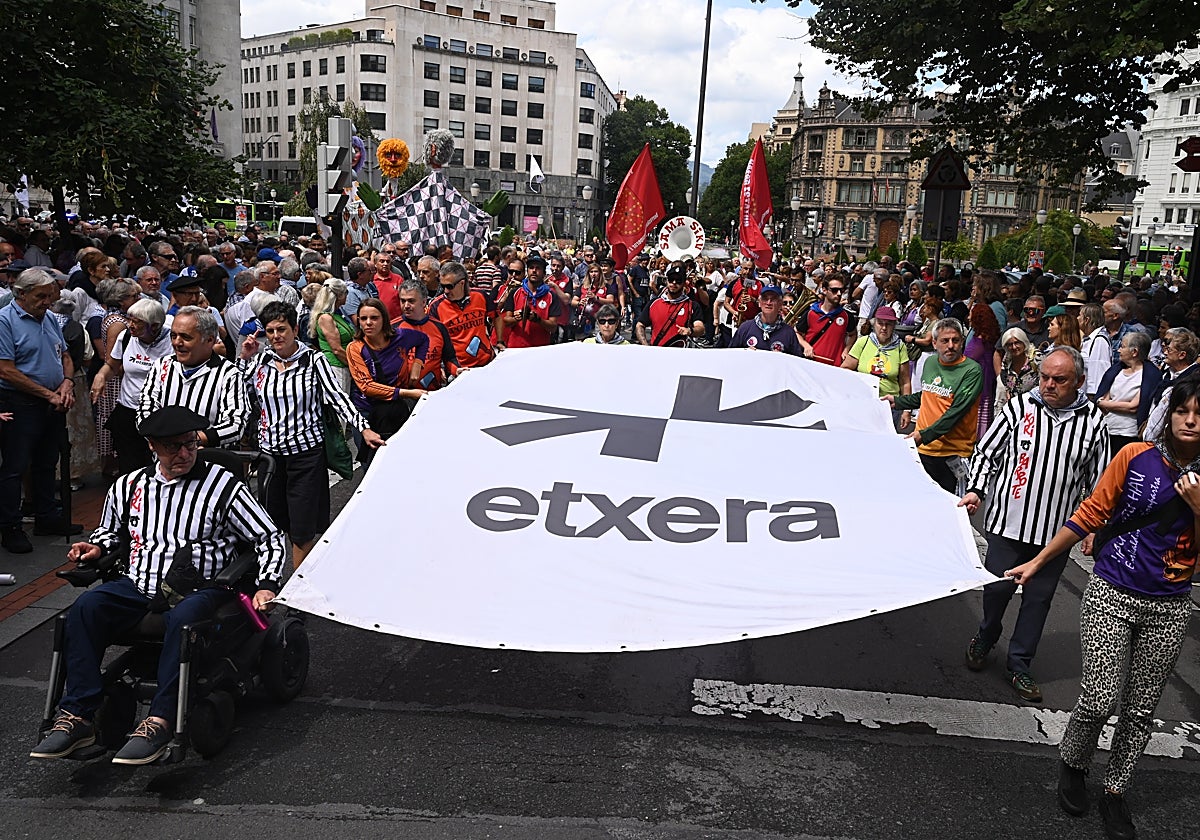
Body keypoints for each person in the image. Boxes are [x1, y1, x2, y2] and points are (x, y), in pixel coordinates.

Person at [28, 406, 287, 765]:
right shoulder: (130, 485)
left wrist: (267, 583)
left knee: (184, 618)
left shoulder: (224, 485)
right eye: (172, 447)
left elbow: (268, 536)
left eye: (189, 445)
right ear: (152, 446)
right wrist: (97, 546)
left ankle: (161, 720)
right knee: (86, 608)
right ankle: (78, 716)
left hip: (200, 586)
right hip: (140, 583)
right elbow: (110, 531)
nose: (183, 454)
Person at [1005, 379, 1200, 840]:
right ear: (1168, 416)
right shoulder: (1135, 457)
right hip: (1112, 591)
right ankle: (1073, 764)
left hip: (1169, 606)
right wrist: (1037, 561)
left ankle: (1115, 790)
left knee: (1140, 708)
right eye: (1183, 411)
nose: (1191, 421)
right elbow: (1091, 512)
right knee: (1098, 695)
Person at [960, 347, 1109, 703]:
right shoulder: (1019, 408)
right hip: (1008, 526)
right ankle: (987, 634)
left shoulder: (1093, 422)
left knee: (1038, 601)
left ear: (1079, 382)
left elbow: (1099, 480)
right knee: (996, 591)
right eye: (1044, 377)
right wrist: (977, 490)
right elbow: (986, 453)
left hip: (1055, 535)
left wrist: (1092, 528)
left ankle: (1019, 663)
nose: (1048, 385)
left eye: (1059, 379)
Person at [239, 302, 384, 568]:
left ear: (295, 329)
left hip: (306, 456)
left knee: (303, 528)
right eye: (270, 331)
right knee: (273, 522)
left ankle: (297, 589)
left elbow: (337, 398)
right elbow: (238, 391)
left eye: (281, 329)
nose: (275, 336)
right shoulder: (261, 360)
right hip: (270, 459)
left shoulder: (313, 361)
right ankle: (274, 578)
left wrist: (362, 427)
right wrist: (245, 358)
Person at [0, 269, 82, 553]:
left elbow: (65, 356)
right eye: (41, 296)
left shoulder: (47, 317)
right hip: (20, 401)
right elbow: (6, 370)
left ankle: (47, 517)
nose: (48, 301)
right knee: (15, 466)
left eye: (50, 295)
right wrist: (49, 394)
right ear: (21, 294)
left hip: (51, 400)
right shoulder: (5, 321)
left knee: (48, 461)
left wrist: (67, 384)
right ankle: (11, 526)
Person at [887, 318, 983, 493]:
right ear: (934, 342)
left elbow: (955, 412)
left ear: (962, 342)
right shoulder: (931, 363)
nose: (951, 345)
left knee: (951, 510)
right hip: (924, 450)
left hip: (952, 455)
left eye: (955, 340)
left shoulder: (972, 371)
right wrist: (898, 401)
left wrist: (922, 436)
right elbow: (928, 395)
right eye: (945, 341)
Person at [137, 306, 250, 449]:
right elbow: (145, 407)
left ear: (209, 340)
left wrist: (192, 441)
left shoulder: (229, 373)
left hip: (209, 462)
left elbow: (236, 423)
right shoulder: (161, 366)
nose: (177, 343)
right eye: (173, 336)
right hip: (165, 460)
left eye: (186, 337)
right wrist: (155, 436)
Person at [90, 299, 172, 476]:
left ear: (155, 326)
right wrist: (101, 375)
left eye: (137, 322)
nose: (131, 325)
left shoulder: (172, 341)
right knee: (129, 465)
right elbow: (112, 365)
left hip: (159, 413)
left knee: (157, 464)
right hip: (128, 410)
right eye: (130, 319)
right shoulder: (126, 337)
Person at [346, 298, 429, 467]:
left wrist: (417, 365)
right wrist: (406, 393)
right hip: (366, 412)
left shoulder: (401, 336)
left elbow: (423, 340)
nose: (368, 323)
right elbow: (366, 386)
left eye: (374, 318)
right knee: (371, 466)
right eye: (363, 319)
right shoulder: (355, 348)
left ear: (384, 319)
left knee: (402, 460)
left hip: (394, 410)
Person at [843, 306, 911, 427]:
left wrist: (907, 410)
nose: (884, 328)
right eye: (880, 323)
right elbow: (845, 369)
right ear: (874, 324)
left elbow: (905, 382)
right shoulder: (863, 342)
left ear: (894, 326)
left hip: (889, 407)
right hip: (862, 402)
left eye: (888, 324)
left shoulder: (900, 347)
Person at [1096, 331, 1155, 454]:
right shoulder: (1115, 371)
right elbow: (1102, 397)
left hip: (1128, 434)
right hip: (1107, 429)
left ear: (1134, 352)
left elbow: (1133, 407)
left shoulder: (1149, 375)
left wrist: (1105, 403)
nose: (1118, 350)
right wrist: (1105, 402)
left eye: (1122, 346)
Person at [396, 279, 458, 390]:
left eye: (411, 301)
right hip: (403, 395)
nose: (406, 306)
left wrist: (456, 370)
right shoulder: (393, 328)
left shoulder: (439, 327)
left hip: (432, 393)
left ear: (424, 302)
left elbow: (449, 359)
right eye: (402, 301)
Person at [1141, 327, 1200, 441]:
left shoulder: (1193, 380)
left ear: (1182, 355)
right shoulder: (1167, 374)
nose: (1165, 352)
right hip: (1151, 438)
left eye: (1169, 350)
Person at [635, 263, 706, 347]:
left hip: (681, 354)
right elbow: (640, 325)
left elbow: (700, 328)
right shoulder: (653, 303)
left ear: (684, 283)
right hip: (657, 353)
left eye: (678, 280)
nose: (674, 283)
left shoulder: (692, 305)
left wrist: (690, 331)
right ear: (666, 281)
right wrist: (645, 345)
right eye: (671, 279)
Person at [499, 255, 561, 349]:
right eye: (531, 268)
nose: (534, 271)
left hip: (540, 348)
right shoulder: (515, 292)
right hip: (516, 346)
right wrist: (518, 317)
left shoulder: (551, 296)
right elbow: (506, 321)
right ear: (527, 271)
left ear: (544, 273)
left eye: (538, 268)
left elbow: (553, 327)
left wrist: (538, 320)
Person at [730, 283, 804, 354]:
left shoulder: (789, 333)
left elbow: (796, 362)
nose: (768, 303)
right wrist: (744, 352)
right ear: (759, 302)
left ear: (780, 304)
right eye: (765, 298)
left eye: (773, 299)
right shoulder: (745, 328)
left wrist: (782, 358)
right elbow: (731, 355)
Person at [965, 303, 1003, 438]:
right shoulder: (990, 338)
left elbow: (967, 360)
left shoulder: (979, 342)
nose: (969, 317)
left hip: (978, 387)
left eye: (971, 314)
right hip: (986, 383)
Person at [309, 279, 353, 393]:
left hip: (344, 366)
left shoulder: (336, 315)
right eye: (346, 293)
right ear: (339, 296)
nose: (347, 296)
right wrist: (356, 366)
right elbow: (337, 349)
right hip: (337, 367)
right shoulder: (326, 318)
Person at [800, 275, 853, 365]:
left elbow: (853, 334)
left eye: (842, 290)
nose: (839, 293)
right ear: (824, 290)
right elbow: (797, 333)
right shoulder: (810, 313)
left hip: (835, 366)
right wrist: (806, 346)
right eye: (834, 290)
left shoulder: (847, 316)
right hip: (811, 363)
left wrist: (846, 350)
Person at [996, 328, 1040, 405]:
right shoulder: (1007, 362)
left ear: (1024, 342)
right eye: (1010, 344)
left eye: (1017, 343)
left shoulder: (1036, 359)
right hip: (1015, 408)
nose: (1014, 347)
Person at [1077, 303, 1111, 400]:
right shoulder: (1088, 339)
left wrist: (1093, 400)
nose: (1077, 318)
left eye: (1079, 315)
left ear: (1086, 320)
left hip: (1091, 398)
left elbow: (1099, 372)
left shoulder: (1099, 340)